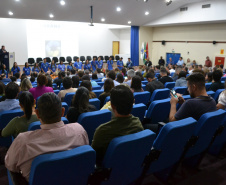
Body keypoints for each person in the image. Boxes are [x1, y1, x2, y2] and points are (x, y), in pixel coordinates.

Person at [5, 93, 89, 182]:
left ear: (37, 113)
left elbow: (10, 164)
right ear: (62, 112)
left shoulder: (23, 141)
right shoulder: (79, 130)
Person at [92, 85, 144, 165]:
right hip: (129, 165)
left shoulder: (102, 131)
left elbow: (94, 156)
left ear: (112, 106)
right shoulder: (138, 123)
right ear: (133, 102)